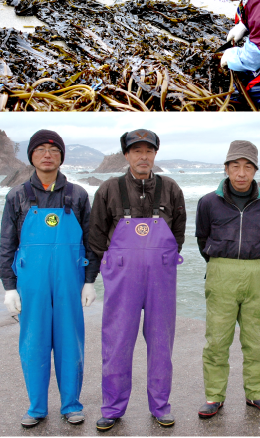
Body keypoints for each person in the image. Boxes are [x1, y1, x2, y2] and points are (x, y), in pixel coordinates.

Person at [88, 129, 187, 430]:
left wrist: (161, 256)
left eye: (149, 151)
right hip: (122, 281)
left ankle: (161, 406)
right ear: (127, 155)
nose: (143, 156)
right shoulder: (109, 189)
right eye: (136, 151)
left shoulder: (171, 189)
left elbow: (179, 232)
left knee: (161, 345)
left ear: (155, 154)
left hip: (161, 280)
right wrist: (99, 274)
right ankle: (112, 408)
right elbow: (95, 235)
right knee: (116, 344)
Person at [0, 129, 99, 428]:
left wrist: (90, 280)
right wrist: (9, 287)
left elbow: (92, 242)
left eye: (54, 150)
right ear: (31, 155)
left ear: (61, 157)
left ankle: (71, 405)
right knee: (33, 344)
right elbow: (7, 244)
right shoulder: (17, 196)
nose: (47, 154)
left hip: (69, 282)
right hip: (32, 283)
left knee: (71, 344)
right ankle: (37, 407)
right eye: (41, 149)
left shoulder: (77, 195)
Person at [194, 140, 260, 419]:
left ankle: (256, 393)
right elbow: (202, 237)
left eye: (247, 167)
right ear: (226, 168)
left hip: (257, 272)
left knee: (257, 340)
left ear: (255, 170)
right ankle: (214, 397)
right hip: (221, 272)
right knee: (217, 340)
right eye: (235, 166)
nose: (241, 173)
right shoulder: (208, 202)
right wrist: (219, 263)